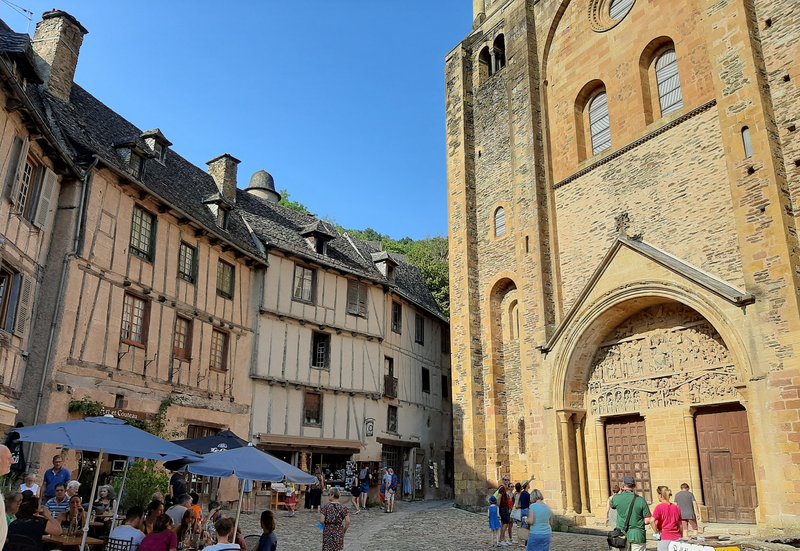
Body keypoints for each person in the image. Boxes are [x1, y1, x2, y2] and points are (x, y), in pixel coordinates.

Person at [610, 475, 651, 551]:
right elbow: (648, 520)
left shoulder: (617, 498)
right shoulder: (641, 500)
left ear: (623, 485)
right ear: (634, 486)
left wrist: (619, 492)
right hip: (637, 535)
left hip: (622, 536)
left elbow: (611, 503)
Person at [651, 486, 682, 551]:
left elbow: (652, 521)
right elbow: (680, 525)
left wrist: (656, 532)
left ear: (660, 495)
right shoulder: (676, 507)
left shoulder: (659, 507)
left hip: (665, 537)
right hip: (677, 538)